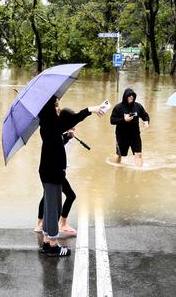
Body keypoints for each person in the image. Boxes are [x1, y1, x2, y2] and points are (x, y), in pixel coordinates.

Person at [38, 96, 104, 257]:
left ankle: (46, 242)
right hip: (53, 172)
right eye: (55, 105)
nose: (57, 108)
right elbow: (74, 118)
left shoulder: (46, 124)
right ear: (49, 108)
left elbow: (55, 143)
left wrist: (66, 137)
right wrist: (91, 109)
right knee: (54, 209)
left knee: (49, 206)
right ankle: (53, 246)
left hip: (47, 171)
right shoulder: (53, 123)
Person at [34, 108, 79, 236]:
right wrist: (67, 136)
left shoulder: (57, 129)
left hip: (54, 170)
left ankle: (40, 224)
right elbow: (57, 146)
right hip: (54, 171)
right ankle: (61, 224)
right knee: (71, 195)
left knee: (46, 196)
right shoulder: (56, 131)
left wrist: (68, 135)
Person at [110, 88, 150, 167]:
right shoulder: (118, 107)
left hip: (135, 135)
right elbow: (112, 120)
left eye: (133, 95)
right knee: (119, 154)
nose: (131, 97)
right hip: (122, 136)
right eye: (129, 95)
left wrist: (146, 122)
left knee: (138, 154)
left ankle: (139, 172)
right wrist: (124, 119)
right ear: (125, 96)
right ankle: (116, 169)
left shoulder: (138, 106)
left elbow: (145, 115)